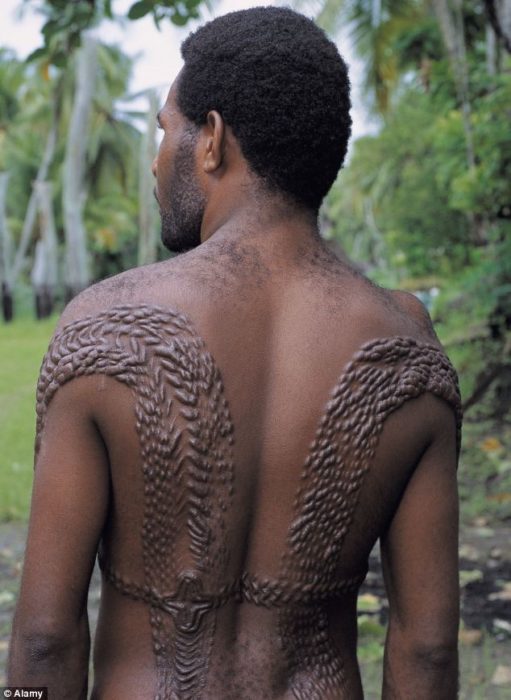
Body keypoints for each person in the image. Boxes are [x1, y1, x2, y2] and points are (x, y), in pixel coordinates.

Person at [8, 7, 462, 699]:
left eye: (164, 132)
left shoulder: (105, 328)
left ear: (211, 139)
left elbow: (45, 640)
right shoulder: (406, 352)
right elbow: (426, 650)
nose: (157, 161)